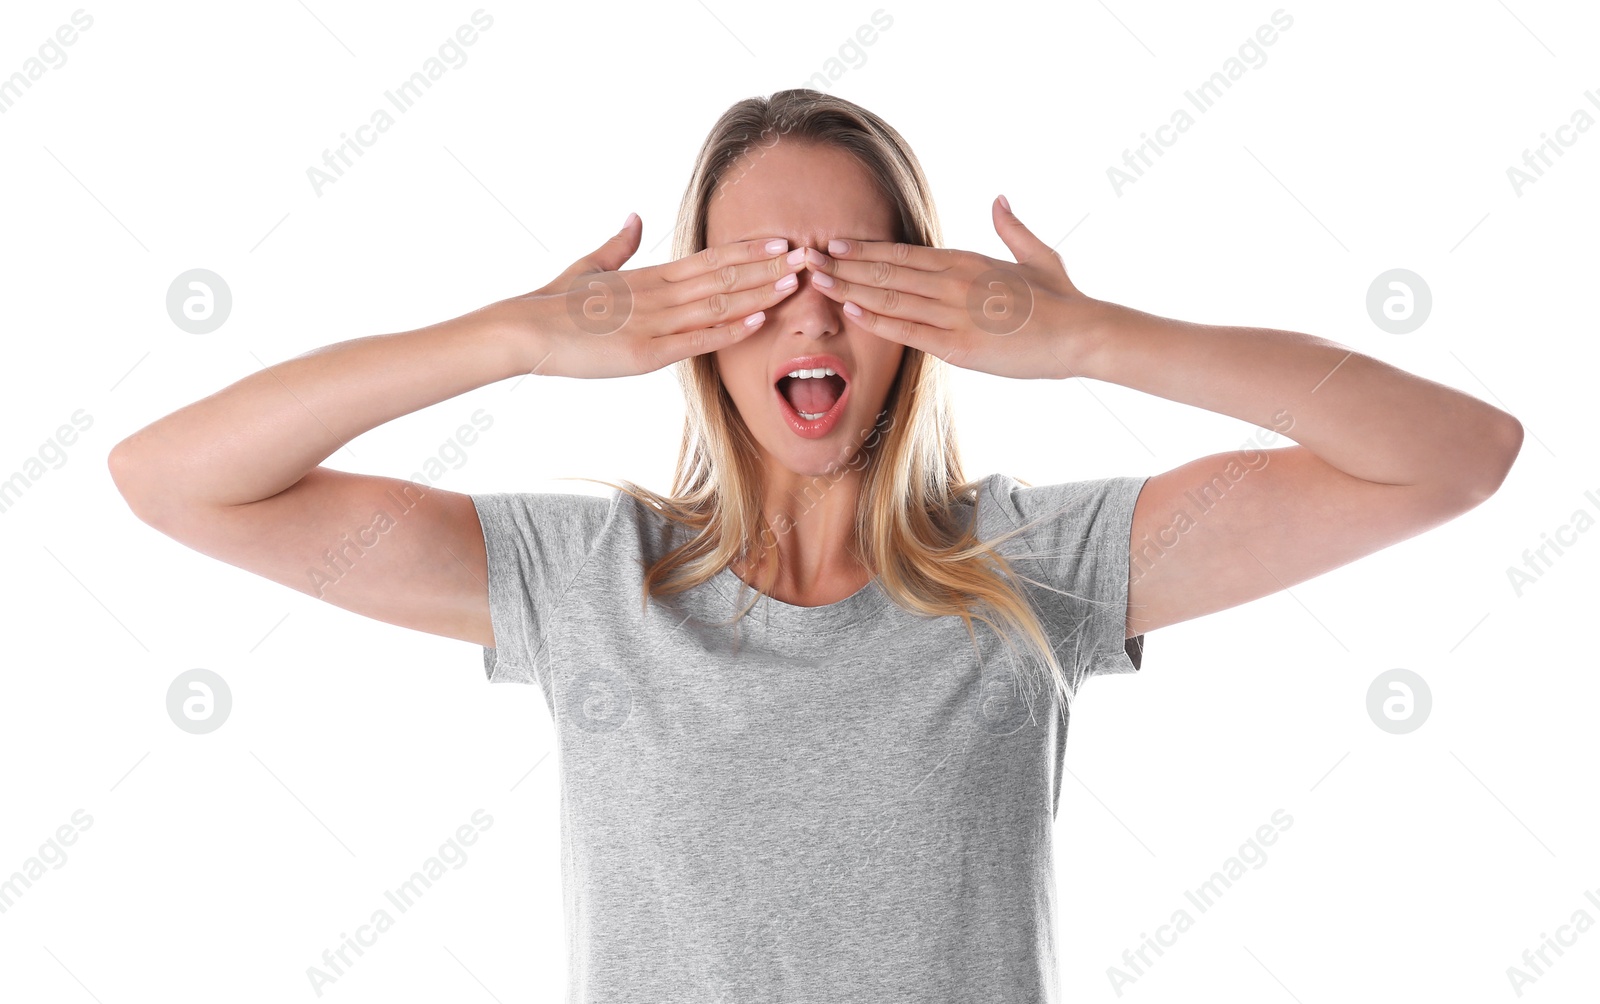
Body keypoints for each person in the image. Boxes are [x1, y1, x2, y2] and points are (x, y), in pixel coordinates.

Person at [108, 88, 1522, 1001]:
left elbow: (1458, 457)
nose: (809, 317)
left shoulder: (1040, 563)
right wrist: (513, 338)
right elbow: (174, 481)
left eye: (855, 272)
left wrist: (1101, 339)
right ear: (689, 320)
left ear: (929, 306)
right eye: (752, 279)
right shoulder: (586, 582)